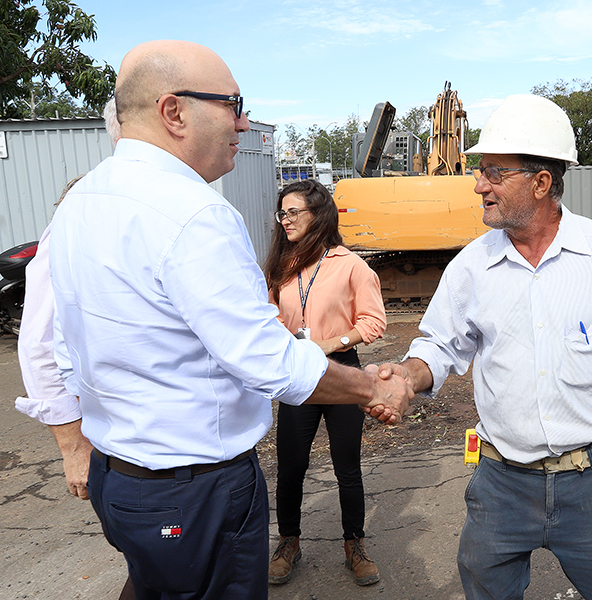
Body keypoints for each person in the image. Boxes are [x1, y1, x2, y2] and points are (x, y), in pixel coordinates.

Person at [47, 40, 412, 600]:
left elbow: (54, 345)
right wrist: (370, 387)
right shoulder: (193, 212)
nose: (243, 123)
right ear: (174, 112)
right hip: (194, 493)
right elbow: (264, 358)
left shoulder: (81, 201)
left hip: (120, 483)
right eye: (232, 104)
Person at [375, 94, 592, 600]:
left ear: (541, 182)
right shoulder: (471, 266)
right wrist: (406, 376)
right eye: (480, 171)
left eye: (494, 173)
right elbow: (438, 347)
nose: (479, 185)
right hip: (501, 483)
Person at [15, 100, 135, 600]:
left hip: (151, 443)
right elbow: (38, 344)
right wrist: (72, 448)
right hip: (107, 440)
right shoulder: (69, 228)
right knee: (151, 566)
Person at [264, 180, 386, 586]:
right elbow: (268, 319)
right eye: (282, 213)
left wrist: (330, 343)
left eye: (293, 212)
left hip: (341, 370)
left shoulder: (350, 264)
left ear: (319, 214)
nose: (285, 220)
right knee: (291, 467)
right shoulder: (281, 266)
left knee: (347, 468)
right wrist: (287, 343)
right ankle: (288, 542)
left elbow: (373, 322)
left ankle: (355, 544)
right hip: (297, 376)